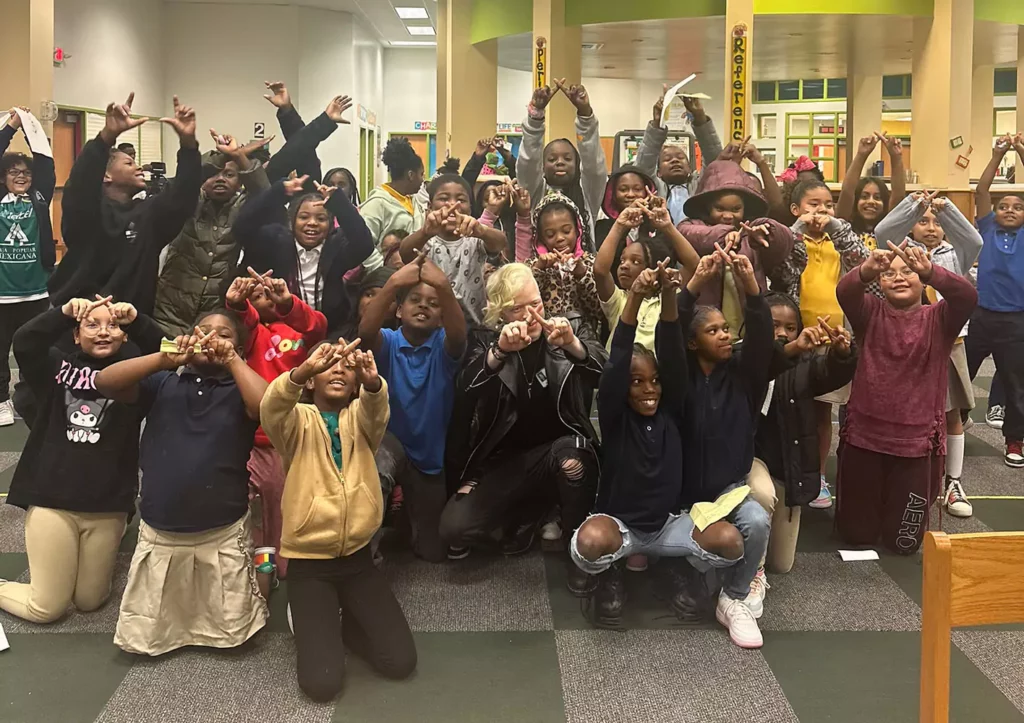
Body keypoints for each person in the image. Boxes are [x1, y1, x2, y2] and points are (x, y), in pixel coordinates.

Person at [573, 260, 747, 629]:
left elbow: (670, 350)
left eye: (653, 381)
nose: (648, 388)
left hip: (669, 527)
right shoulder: (616, 416)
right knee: (588, 543)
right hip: (623, 526)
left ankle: (675, 569)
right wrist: (634, 295)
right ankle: (609, 573)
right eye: (637, 382)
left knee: (731, 541)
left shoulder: (671, 409)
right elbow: (619, 357)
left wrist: (670, 294)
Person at [94, 312, 270, 655]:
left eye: (223, 334)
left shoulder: (240, 388)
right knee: (150, 632)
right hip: (162, 524)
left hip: (221, 524)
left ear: (238, 347)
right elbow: (105, 381)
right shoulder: (163, 382)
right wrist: (163, 358)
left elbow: (267, 406)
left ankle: (263, 575)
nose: (211, 337)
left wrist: (233, 361)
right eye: (203, 331)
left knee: (235, 630)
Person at [260, 338, 416, 701]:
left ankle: (341, 621)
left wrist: (373, 382)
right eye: (329, 363)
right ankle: (315, 617)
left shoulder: (361, 420)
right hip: (310, 565)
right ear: (312, 378)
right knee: (322, 685)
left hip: (358, 560)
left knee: (400, 663)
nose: (339, 369)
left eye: (347, 365)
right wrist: (299, 372)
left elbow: (377, 409)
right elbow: (272, 407)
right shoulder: (295, 422)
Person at [441, 263, 606, 592]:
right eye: (519, 308)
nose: (532, 315)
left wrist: (573, 345)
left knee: (572, 461)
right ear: (501, 313)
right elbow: (464, 389)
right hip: (504, 461)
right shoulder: (486, 339)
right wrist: (499, 352)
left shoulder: (567, 326)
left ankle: (576, 549)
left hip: (559, 450)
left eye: (537, 304)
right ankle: (530, 514)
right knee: (453, 530)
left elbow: (607, 375)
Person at [0, 296, 162, 623]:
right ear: (76, 335)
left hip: (107, 504)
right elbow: (25, 341)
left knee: (90, 601)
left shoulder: (139, 380)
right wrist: (63, 314)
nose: (103, 332)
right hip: (53, 500)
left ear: (125, 335)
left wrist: (138, 319)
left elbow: (167, 353)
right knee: (46, 608)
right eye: (92, 324)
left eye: (113, 326)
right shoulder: (57, 369)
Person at [835, 241, 977, 554]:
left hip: (916, 445)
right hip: (865, 438)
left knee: (904, 543)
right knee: (856, 535)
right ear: (880, 283)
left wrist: (933, 272)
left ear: (922, 279)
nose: (899, 277)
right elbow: (845, 292)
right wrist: (866, 270)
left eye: (909, 271)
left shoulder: (939, 319)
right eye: (889, 273)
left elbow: (967, 296)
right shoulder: (869, 313)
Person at [678, 249, 774, 649]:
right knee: (685, 558)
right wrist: (696, 281)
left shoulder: (742, 374)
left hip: (727, 490)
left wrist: (749, 284)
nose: (725, 335)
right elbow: (672, 325)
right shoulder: (676, 376)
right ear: (692, 341)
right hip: (678, 493)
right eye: (713, 330)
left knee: (757, 521)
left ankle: (733, 598)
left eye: (725, 328)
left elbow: (762, 335)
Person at [875, 191, 984, 515]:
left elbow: (974, 241)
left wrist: (946, 208)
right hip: (909, 342)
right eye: (924, 222)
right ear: (911, 227)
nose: (932, 227)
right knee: (903, 409)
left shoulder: (956, 254)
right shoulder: (904, 252)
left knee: (952, 416)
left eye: (937, 223)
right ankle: (895, 477)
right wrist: (913, 206)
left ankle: (953, 482)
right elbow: (883, 233)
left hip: (951, 344)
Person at [48, 93, 202, 315]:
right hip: (80, 319)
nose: (139, 167)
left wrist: (188, 145)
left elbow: (183, 196)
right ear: (106, 176)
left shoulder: (149, 215)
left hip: (130, 322)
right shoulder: (88, 214)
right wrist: (107, 136)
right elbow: (81, 185)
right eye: (129, 163)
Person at [358, 251, 466, 563]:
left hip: (428, 456)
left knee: (433, 551)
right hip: (388, 443)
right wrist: (392, 283)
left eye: (433, 304)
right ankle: (363, 560)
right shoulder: (389, 341)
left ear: (441, 315)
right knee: (376, 473)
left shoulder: (444, 346)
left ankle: (405, 518)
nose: (423, 306)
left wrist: (443, 287)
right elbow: (365, 333)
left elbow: (459, 336)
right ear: (399, 311)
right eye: (415, 300)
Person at [225, 268, 328, 578]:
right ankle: (259, 565)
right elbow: (242, 324)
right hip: (254, 438)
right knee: (254, 510)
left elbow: (317, 327)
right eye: (255, 296)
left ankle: (286, 565)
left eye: (270, 293)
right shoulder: (255, 334)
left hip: (291, 437)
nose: (264, 297)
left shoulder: (300, 335)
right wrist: (236, 304)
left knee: (285, 504)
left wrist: (287, 303)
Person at [780, 178, 872, 508]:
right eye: (813, 205)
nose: (821, 211)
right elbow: (784, 266)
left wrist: (834, 224)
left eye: (828, 205)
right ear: (795, 210)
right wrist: (797, 227)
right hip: (797, 338)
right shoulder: (793, 240)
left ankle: (817, 477)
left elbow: (862, 260)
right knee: (790, 410)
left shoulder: (839, 241)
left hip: (834, 340)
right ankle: (786, 473)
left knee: (822, 413)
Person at [751, 292, 857, 574]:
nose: (782, 333)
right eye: (773, 325)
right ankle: (752, 572)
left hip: (788, 466)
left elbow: (829, 373)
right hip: (749, 463)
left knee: (782, 565)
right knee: (761, 494)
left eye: (790, 327)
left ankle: (763, 556)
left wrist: (842, 353)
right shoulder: (742, 358)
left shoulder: (803, 366)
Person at [152, 130, 272, 337]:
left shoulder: (243, 207)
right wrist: (223, 155)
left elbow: (264, 194)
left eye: (229, 174)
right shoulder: (188, 202)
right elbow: (189, 177)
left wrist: (240, 157)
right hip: (169, 313)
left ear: (240, 181)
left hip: (214, 315)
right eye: (215, 173)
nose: (220, 179)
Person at [234, 174, 374, 331]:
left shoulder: (336, 246)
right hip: (282, 331)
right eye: (304, 217)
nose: (312, 223)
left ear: (330, 225)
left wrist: (340, 204)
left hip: (331, 329)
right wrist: (278, 192)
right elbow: (241, 229)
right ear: (292, 221)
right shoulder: (276, 241)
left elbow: (365, 245)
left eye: (321, 219)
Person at [677, 159, 794, 337]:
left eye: (736, 209)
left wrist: (767, 231)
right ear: (708, 207)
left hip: (748, 324)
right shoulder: (691, 225)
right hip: (706, 325)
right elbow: (688, 234)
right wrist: (726, 235)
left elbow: (784, 242)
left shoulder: (751, 231)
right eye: (720, 208)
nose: (728, 215)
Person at [967, 134, 1024, 469]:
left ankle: (1015, 438)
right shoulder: (986, 228)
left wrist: (1020, 151)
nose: (1009, 210)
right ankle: (952, 424)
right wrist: (998, 153)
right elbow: (981, 191)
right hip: (982, 315)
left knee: (1016, 384)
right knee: (962, 375)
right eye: (1004, 206)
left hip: (1016, 320)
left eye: (1018, 207)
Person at [0, 107, 57, 425]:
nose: (21, 177)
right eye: (13, 173)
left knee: (36, 350)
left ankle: (35, 396)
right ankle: (0, 401)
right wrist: (9, 127)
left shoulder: (39, 196)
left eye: (25, 172)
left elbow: (46, 164)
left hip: (35, 292)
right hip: (1, 294)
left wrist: (31, 128)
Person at [398, 173, 508, 326]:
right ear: (430, 207)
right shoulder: (425, 239)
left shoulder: (475, 238)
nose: (452, 204)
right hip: (432, 326)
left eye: (461, 200)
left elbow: (500, 242)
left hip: (473, 325)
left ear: (470, 208)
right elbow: (405, 253)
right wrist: (425, 232)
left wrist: (481, 230)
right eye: (443, 198)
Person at [594, 199, 700, 351]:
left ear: (654, 267)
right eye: (622, 260)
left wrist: (668, 227)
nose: (624, 265)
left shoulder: (670, 297)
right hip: (620, 372)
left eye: (635, 261)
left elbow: (694, 266)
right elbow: (600, 271)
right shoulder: (619, 300)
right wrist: (619, 225)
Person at [517, 81, 605, 249]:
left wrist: (585, 114)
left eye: (567, 158)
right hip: (539, 270)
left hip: (583, 271)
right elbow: (527, 164)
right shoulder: (535, 194)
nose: (559, 162)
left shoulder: (588, 194)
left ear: (577, 164)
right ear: (542, 166)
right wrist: (535, 117)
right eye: (552, 159)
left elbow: (594, 166)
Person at [634, 91, 723, 224]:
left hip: (696, 240)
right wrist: (658, 124)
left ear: (690, 167)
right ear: (658, 172)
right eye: (667, 159)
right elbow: (644, 166)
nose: (675, 160)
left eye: (680, 157)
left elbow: (714, 160)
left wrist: (700, 119)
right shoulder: (655, 189)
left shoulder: (700, 186)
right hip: (662, 240)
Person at [523, 191, 602, 336]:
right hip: (544, 342)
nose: (560, 238)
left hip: (583, 341)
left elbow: (600, 309)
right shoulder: (531, 266)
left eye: (566, 231)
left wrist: (582, 274)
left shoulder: (591, 263)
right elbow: (524, 306)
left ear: (578, 230)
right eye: (550, 234)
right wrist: (538, 270)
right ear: (540, 238)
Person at [360, 136, 425, 267]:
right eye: (421, 174)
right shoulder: (377, 203)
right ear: (411, 175)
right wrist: (381, 269)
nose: (422, 180)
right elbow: (362, 243)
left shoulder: (412, 200)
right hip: (386, 278)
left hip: (412, 272)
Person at [836, 132, 906, 251]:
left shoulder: (889, 228)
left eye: (878, 198)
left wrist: (896, 157)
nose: (871, 202)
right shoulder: (845, 228)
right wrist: (861, 155)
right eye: (864, 196)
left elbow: (898, 195)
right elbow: (847, 192)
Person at [592, 164, 657, 249]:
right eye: (623, 189)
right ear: (612, 194)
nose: (630, 194)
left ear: (647, 191)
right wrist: (621, 227)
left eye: (637, 189)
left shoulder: (656, 222)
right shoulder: (602, 227)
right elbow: (602, 260)